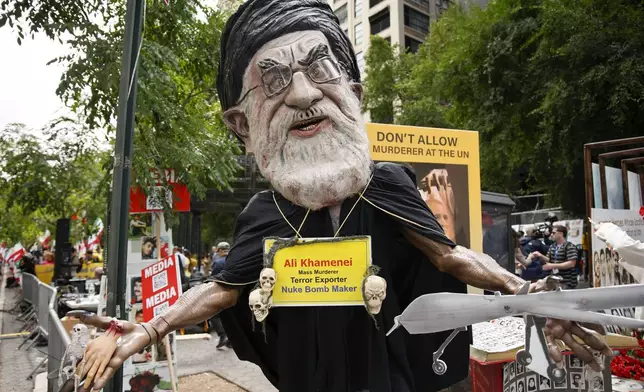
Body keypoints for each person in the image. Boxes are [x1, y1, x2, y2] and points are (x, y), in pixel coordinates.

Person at [76, 2, 612, 391]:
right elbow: (222, 289)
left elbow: (447, 254)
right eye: (274, 80)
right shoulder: (264, 214)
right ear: (242, 123)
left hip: (386, 374)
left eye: (319, 69)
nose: (304, 95)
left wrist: (528, 291)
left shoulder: (386, 184)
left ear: (352, 96)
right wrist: (145, 330)